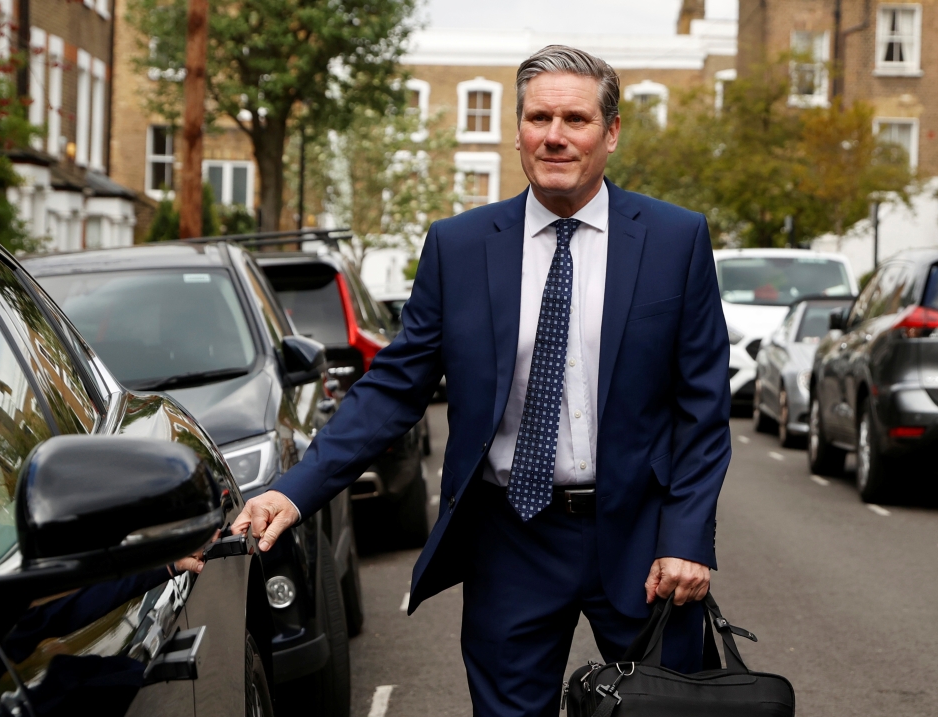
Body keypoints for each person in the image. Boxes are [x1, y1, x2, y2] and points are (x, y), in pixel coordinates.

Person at [234, 45, 731, 717]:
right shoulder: (459, 246)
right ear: (518, 130)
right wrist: (295, 491)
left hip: (645, 538)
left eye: (576, 119)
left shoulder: (676, 239)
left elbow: (702, 407)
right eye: (538, 118)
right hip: (512, 538)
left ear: (611, 132)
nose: (554, 135)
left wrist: (686, 538)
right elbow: (395, 387)